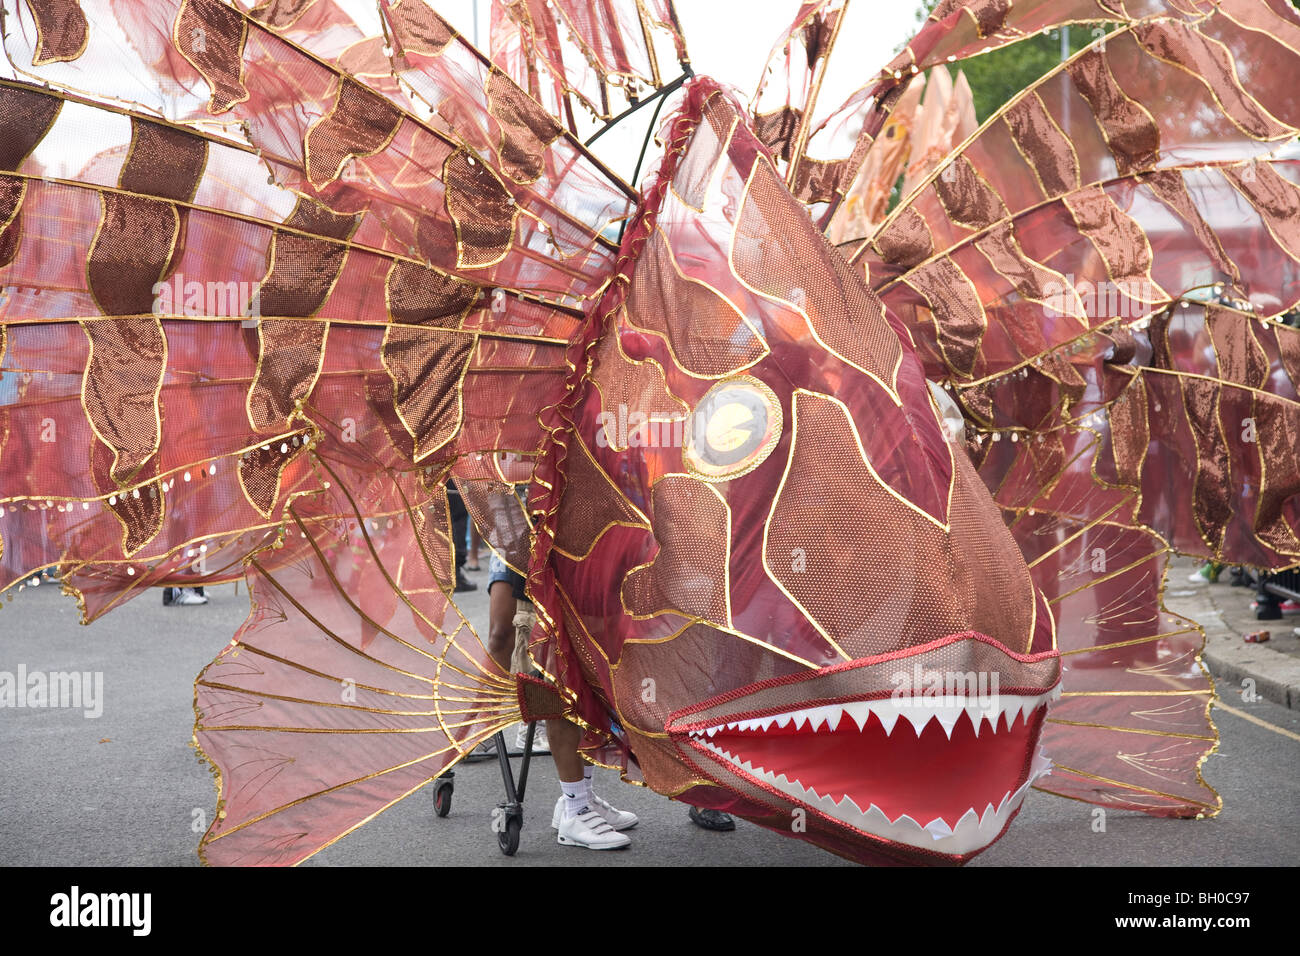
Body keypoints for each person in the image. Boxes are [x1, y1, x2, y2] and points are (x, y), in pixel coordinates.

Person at [483, 549, 637, 850]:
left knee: (597, 681)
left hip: (595, 558)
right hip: (547, 560)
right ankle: (574, 808)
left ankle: (584, 796)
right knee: (560, 683)